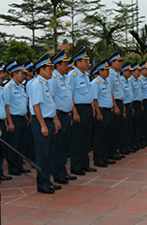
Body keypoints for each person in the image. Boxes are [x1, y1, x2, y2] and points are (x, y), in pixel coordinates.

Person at [28, 53, 61, 194]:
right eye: (49, 68)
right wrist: (42, 125)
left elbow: (49, 105)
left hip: (49, 121)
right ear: (41, 70)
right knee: (42, 155)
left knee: (50, 154)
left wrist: (55, 120)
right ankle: (42, 184)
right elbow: (36, 106)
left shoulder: (45, 83)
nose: (52, 71)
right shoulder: (37, 84)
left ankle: (48, 180)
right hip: (41, 122)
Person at [49, 50, 77, 185]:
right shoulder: (54, 79)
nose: (68, 66)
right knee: (58, 147)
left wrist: (71, 114)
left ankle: (63, 171)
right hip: (58, 116)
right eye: (65, 64)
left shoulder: (65, 78)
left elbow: (69, 98)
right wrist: (56, 119)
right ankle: (57, 173)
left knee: (65, 146)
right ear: (57, 65)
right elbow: (51, 100)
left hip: (66, 115)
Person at [67, 48, 96, 176]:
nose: (87, 63)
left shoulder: (86, 75)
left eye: (88, 61)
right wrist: (75, 112)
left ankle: (85, 164)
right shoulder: (72, 75)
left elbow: (89, 93)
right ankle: (75, 165)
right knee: (77, 139)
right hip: (79, 108)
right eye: (85, 61)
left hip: (88, 108)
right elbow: (70, 94)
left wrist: (93, 107)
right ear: (77, 62)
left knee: (86, 138)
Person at [3, 60, 31, 176]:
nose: (24, 75)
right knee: (13, 144)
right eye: (21, 73)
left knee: (22, 144)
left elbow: (23, 103)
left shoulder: (21, 87)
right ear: (14, 74)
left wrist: (26, 117)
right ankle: (13, 167)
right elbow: (6, 106)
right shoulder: (8, 87)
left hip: (22, 118)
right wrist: (10, 122)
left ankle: (19, 165)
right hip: (14, 118)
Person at [91, 60, 114, 167]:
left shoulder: (105, 82)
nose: (108, 72)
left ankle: (104, 157)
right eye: (106, 70)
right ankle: (98, 158)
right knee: (99, 136)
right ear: (100, 71)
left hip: (108, 111)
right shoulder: (96, 83)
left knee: (107, 135)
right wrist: (98, 113)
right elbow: (94, 99)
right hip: (102, 111)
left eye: (108, 70)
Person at [106, 52, 125, 160]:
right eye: (119, 61)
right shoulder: (111, 75)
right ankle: (111, 151)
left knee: (118, 129)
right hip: (115, 103)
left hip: (120, 102)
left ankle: (115, 150)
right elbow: (110, 91)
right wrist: (115, 106)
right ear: (112, 63)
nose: (121, 64)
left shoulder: (117, 74)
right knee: (113, 130)